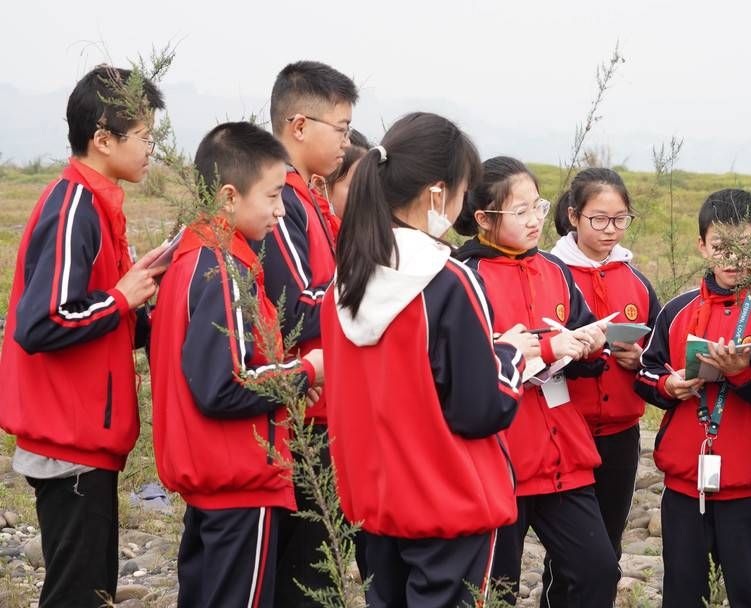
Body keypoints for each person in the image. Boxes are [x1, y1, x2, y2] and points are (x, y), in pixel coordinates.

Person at [322, 112, 527, 607]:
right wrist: (513, 355)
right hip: (445, 502)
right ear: (438, 193)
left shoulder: (344, 281)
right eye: (462, 192)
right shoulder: (447, 279)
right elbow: (481, 409)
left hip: (375, 503)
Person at [0, 65, 166, 607]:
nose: (151, 150)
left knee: (89, 590)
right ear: (102, 138)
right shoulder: (74, 206)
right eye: (143, 137)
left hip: (84, 441)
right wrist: (122, 298)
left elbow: (101, 317)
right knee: (77, 595)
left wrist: (150, 312)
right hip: (67, 443)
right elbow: (42, 321)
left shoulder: (99, 202)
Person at [150, 121, 323, 608]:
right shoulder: (223, 268)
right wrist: (307, 371)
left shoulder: (192, 259)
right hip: (239, 480)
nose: (280, 208)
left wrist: (286, 377)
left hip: (209, 476)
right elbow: (225, 384)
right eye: (271, 196)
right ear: (229, 196)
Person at [454, 156, 620, 607]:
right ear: (484, 218)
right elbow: (459, 368)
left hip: (562, 453)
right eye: (520, 211)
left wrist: (590, 345)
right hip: (500, 455)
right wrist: (546, 349)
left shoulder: (554, 270)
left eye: (538, 207)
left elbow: (581, 344)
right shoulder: (462, 277)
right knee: (497, 588)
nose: (534, 221)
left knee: (598, 571)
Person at [635, 189, 751, 608]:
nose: (732, 258)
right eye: (720, 246)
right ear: (702, 246)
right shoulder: (677, 310)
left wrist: (741, 374)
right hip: (685, 486)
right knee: (683, 595)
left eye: (743, 246)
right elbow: (645, 374)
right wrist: (668, 388)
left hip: (748, 486)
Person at [541, 167, 660, 607]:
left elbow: (659, 351)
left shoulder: (636, 279)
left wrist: (640, 358)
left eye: (620, 219)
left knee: (606, 549)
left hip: (620, 436)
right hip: (563, 433)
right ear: (573, 216)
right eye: (599, 219)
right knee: (569, 555)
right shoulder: (551, 272)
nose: (610, 230)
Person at [264, 60, 360, 602]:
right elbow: (294, 306)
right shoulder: (282, 197)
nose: (346, 142)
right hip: (304, 408)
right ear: (299, 126)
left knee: (315, 559)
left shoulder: (308, 195)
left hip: (319, 401)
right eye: (341, 129)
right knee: (307, 567)